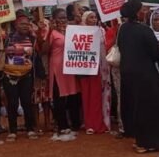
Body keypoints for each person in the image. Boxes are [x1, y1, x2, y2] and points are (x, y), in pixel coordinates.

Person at [118, 0, 159, 152]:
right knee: (153, 108)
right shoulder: (144, 31)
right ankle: (149, 142)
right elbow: (155, 54)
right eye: (142, 10)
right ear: (136, 12)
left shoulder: (123, 29)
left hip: (128, 75)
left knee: (135, 108)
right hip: (145, 75)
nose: (145, 12)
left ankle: (140, 140)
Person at [2, 12, 38, 141]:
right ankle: (12, 130)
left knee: (27, 102)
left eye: (27, 24)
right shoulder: (6, 38)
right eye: (22, 24)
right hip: (9, 75)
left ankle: (30, 129)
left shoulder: (32, 38)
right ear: (16, 25)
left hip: (26, 75)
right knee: (12, 103)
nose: (25, 26)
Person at [47, 8, 81, 136]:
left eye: (65, 17)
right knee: (59, 97)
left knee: (73, 95)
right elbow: (45, 50)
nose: (63, 20)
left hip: (71, 66)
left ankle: (75, 123)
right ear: (54, 19)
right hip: (58, 68)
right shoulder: (51, 33)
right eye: (60, 18)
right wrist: (49, 31)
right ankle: (62, 124)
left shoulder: (71, 30)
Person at [79, 11, 111, 134]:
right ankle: (89, 124)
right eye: (90, 17)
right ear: (85, 19)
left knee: (98, 97)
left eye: (95, 17)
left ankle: (99, 123)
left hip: (100, 69)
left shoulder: (101, 31)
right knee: (87, 96)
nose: (94, 19)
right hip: (85, 68)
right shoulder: (79, 31)